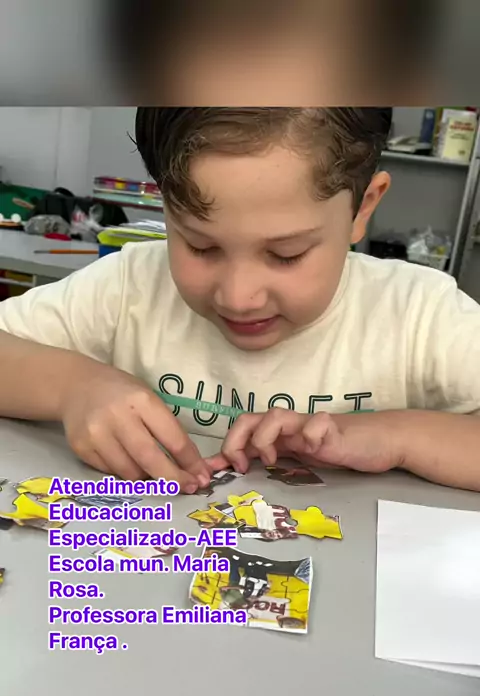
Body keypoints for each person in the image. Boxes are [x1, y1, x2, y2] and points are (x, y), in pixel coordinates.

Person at [0, 107, 479, 493]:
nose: (238, 297)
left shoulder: (419, 313)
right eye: (199, 246)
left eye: (286, 254)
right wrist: (72, 387)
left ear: (363, 208)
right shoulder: (129, 286)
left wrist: (398, 436)